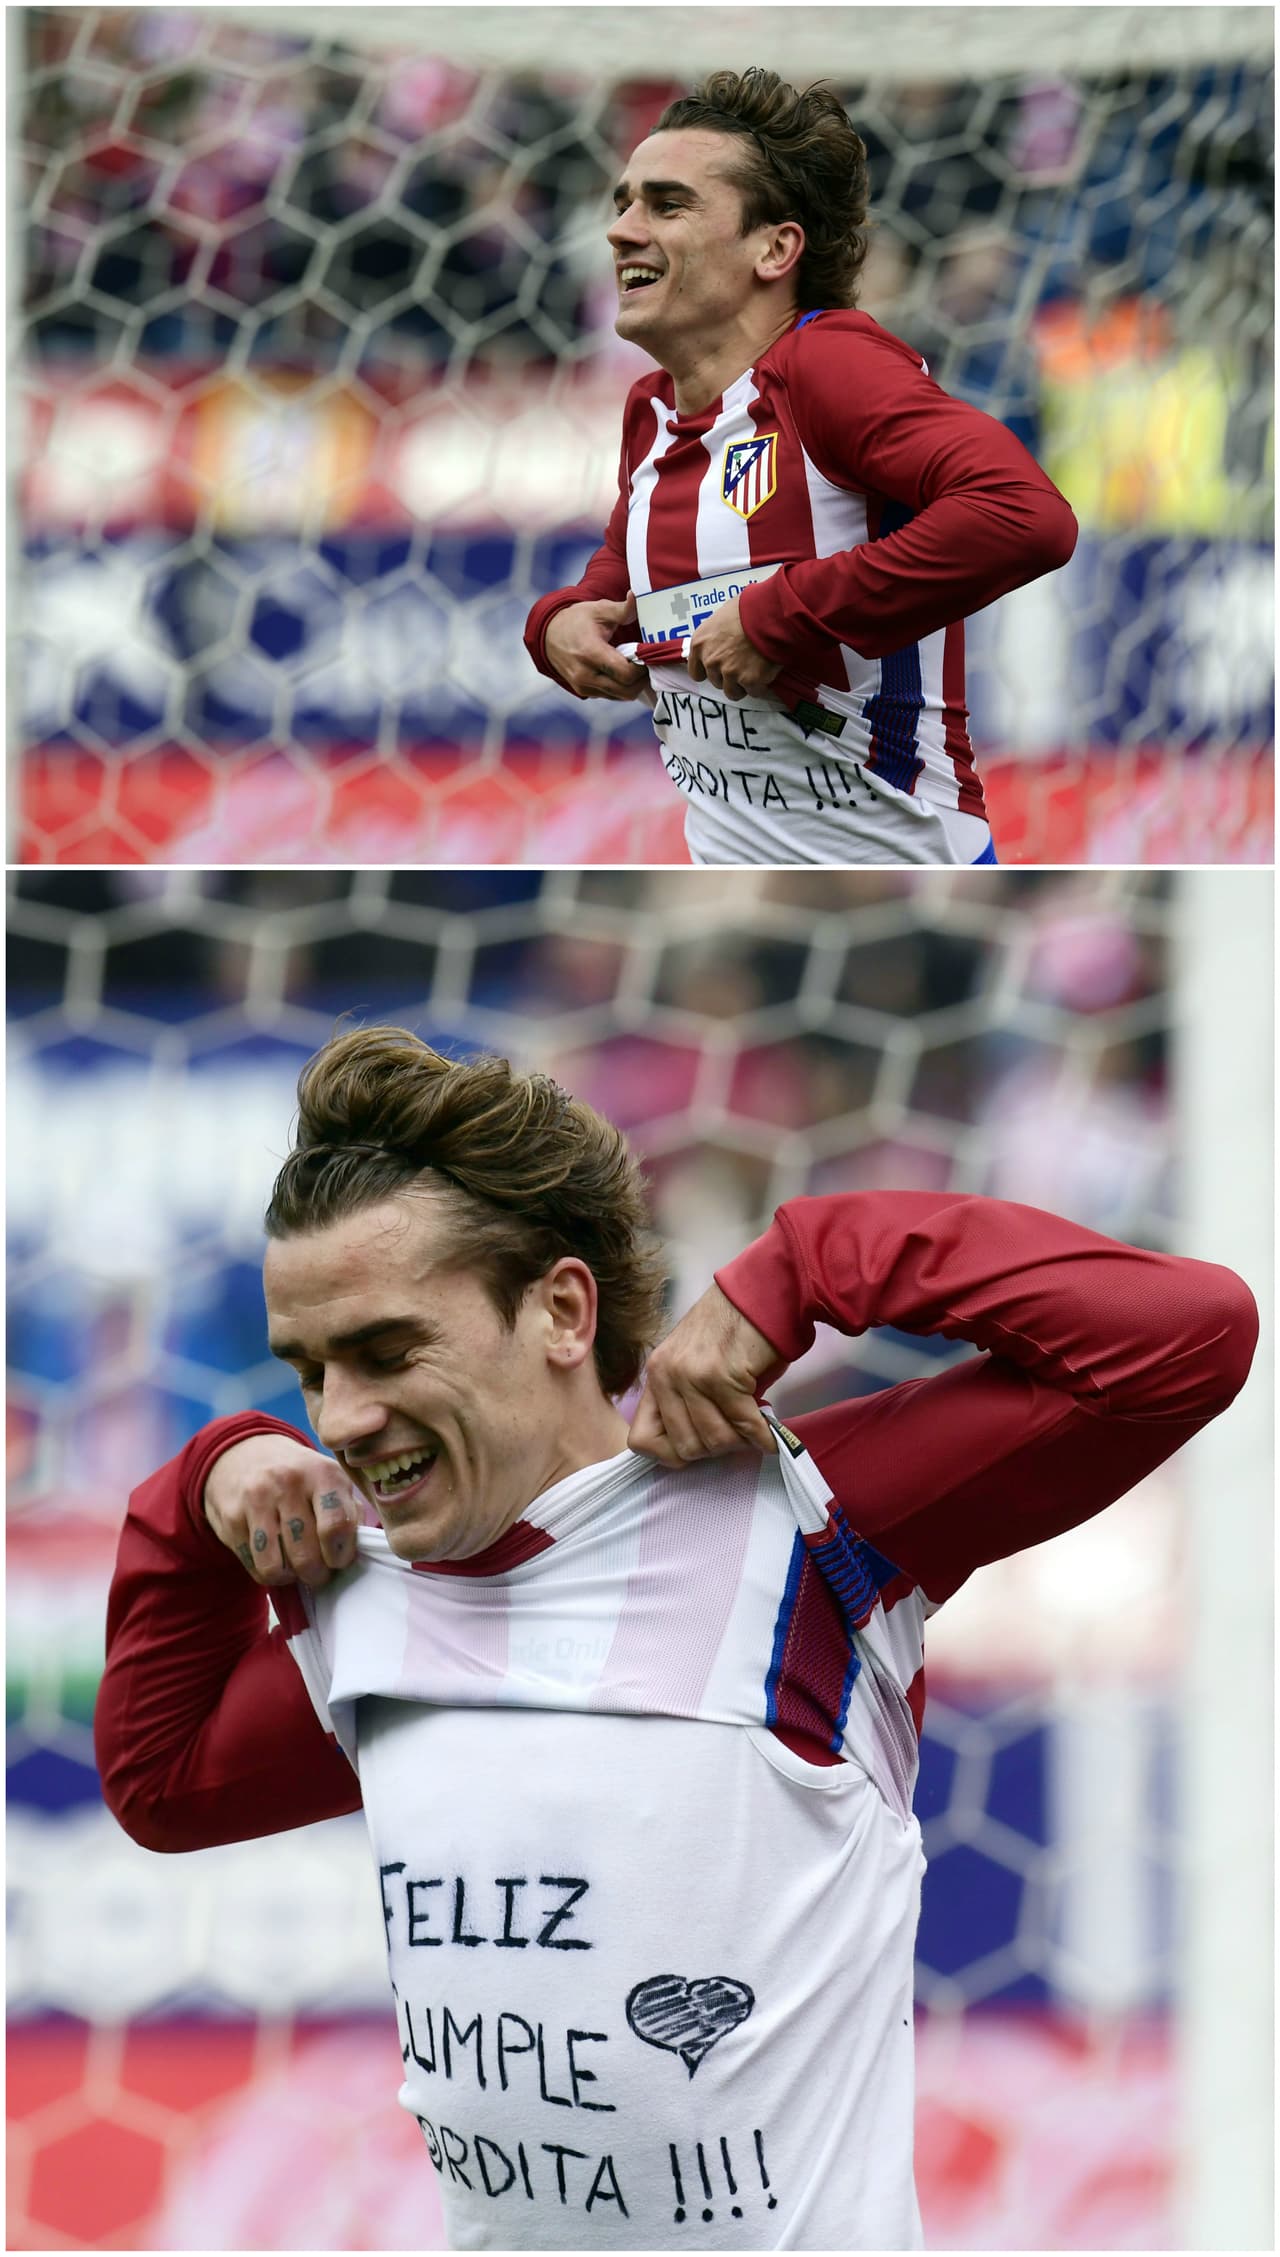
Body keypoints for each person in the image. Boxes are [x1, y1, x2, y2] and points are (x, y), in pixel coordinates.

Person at [96, 1025, 1257, 2252]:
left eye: (385, 1350)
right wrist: (203, 1476)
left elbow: (1183, 1338)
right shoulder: (365, 1592)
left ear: (558, 1310)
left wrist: (813, 1266)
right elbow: (162, 1786)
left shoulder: (790, 1519)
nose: (339, 1415)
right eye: (310, 1369)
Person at [522, 69, 1079, 869]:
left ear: (775, 247)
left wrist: (779, 616)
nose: (621, 230)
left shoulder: (828, 364)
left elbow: (1025, 514)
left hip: (901, 872)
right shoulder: (652, 407)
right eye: (623, 202)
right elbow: (615, 585)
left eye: (667, 204)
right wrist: (559, 622)